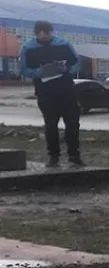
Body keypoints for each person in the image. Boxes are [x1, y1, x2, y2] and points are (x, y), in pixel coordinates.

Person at [18, 20, 82, 168]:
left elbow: (77, 62)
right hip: (45, 92)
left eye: (48, 33)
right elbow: (24, 69)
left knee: (72, 123)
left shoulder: (64, 44)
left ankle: (74, 155)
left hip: (66, 90)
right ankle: (53, 157)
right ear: (36, 33)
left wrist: (68, 70)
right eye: (42, 34)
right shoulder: (28, 48)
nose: (46, 36)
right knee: (50, 125)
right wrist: (38, 73)